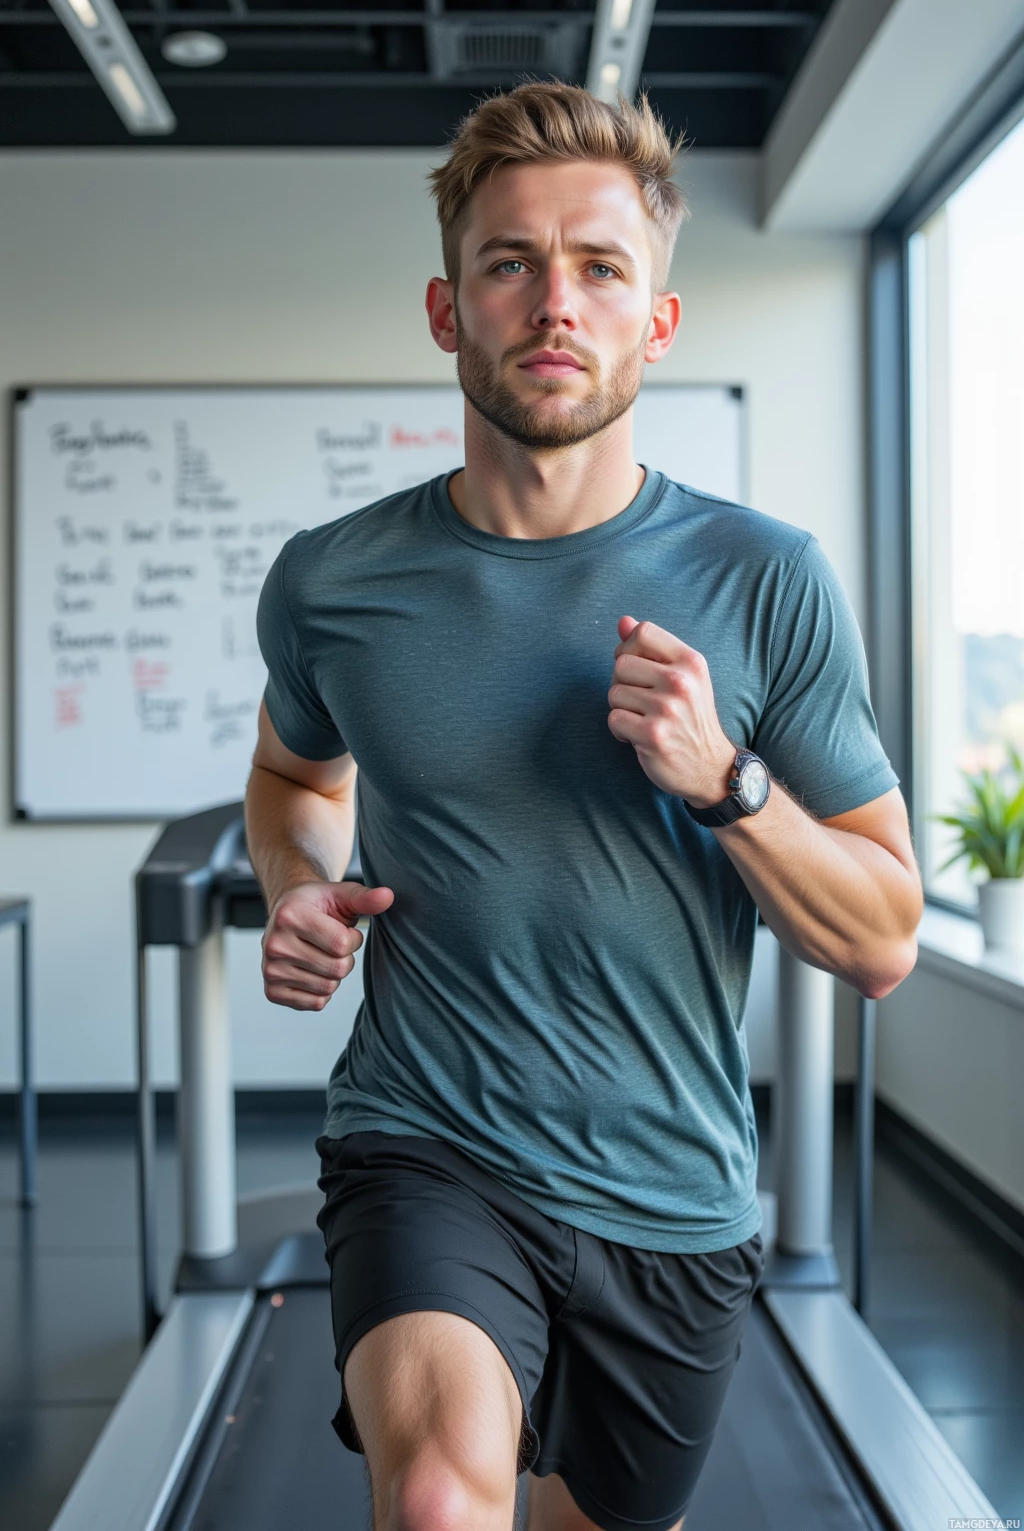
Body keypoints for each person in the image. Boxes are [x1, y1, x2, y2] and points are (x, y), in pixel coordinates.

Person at [245, 80, 923, 1531]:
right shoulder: (331, 580)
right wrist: (296, 882)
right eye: (512, 263)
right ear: (449, 311)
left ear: (655, 321)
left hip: (670, 1195)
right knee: (435, 1498)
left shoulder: (767, 579)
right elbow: (297, 775)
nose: (557, 302)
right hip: (425, 1140)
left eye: (602, 267)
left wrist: (727, 783)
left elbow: (880, 940)